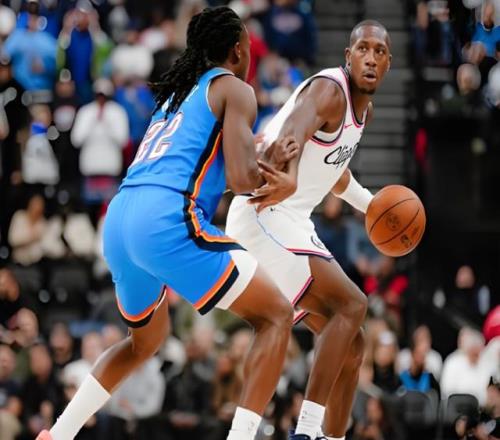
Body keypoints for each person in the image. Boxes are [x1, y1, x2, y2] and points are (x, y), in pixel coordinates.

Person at [36, 6, 297, 440]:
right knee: (276, 315)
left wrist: (260, 157)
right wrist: (279, 182)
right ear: (238, 50)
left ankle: (58, 435)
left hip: (120, 218)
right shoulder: (236, 89)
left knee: (143, 343)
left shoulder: (177, 95)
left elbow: (204, 160)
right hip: (165, 218)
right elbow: (240, 179)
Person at [227, 20, 393, 440]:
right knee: (353, 304)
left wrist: (371, 206)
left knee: (353, 345)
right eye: (363, 49)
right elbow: (290, 134)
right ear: (348, 56)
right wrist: (289, 175)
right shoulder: (329, 91)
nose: (370, 58)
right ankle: (306, 431)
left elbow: (334, 172)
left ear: (388, 63)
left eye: (379, 52)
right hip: (263, 210)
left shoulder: (363, 112)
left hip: (291, 219)